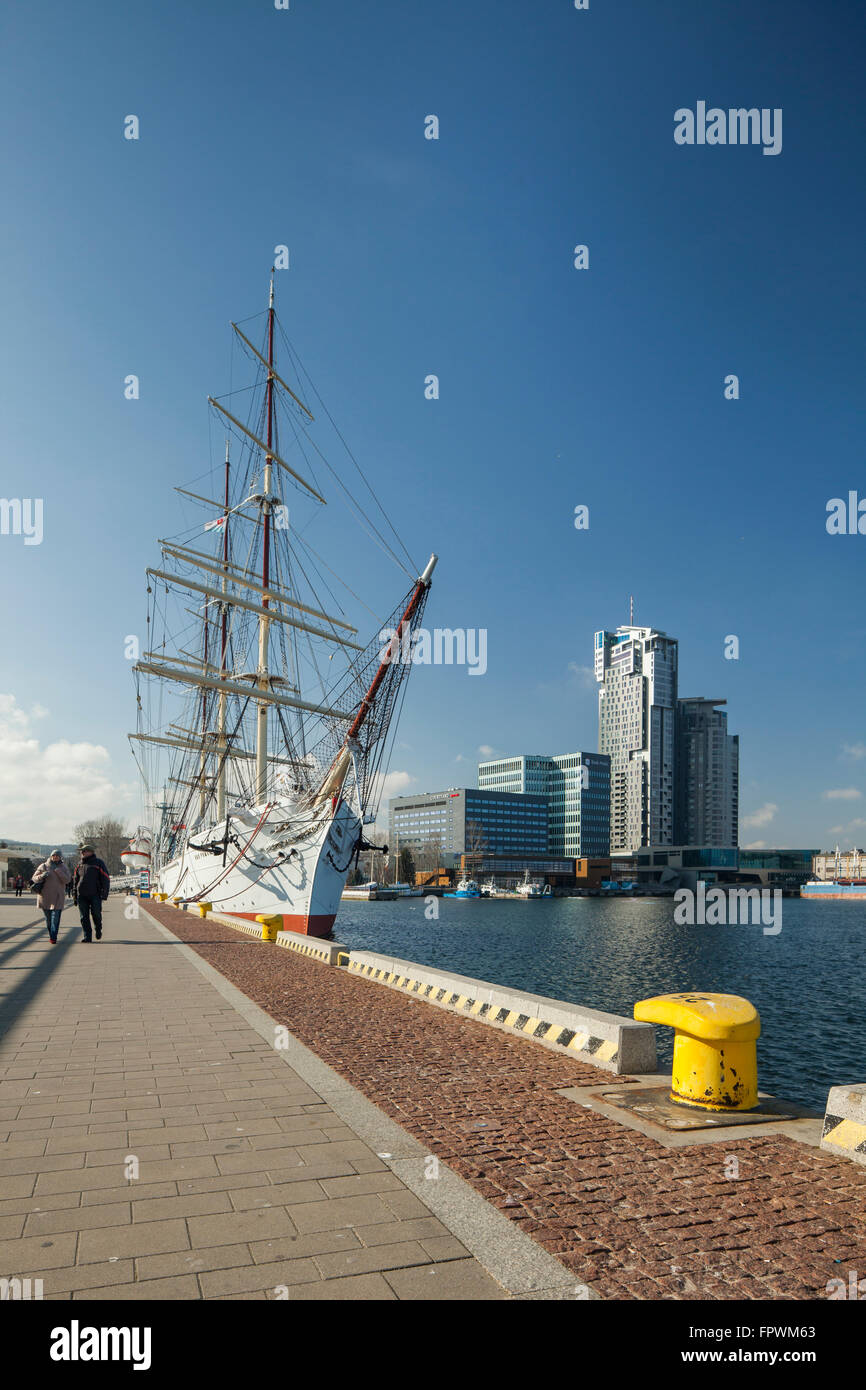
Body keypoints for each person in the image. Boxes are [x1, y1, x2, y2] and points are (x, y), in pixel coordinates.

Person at [32, 852, 72, 944]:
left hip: (58, 897)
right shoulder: (43, 866)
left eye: (57, 856)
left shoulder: (63, 867)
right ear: (51, 856)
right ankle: (51, 934)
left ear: (60, 857)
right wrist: (41, 876)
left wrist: (58, 871)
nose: (55, 857)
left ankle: (53, 937)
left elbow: (67, 880)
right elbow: (34, 878)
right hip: (45, 896)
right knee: (49, 920)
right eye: (53, 855)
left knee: (55, 919)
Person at [73, 844, 111, 942]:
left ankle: (98, 929)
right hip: (82, 895)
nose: (82, 853)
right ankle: (87, 936)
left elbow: (106, 878)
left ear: (90, 852)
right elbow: (75, 880)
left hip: (95, 894)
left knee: (96, 914)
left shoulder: (98, 863)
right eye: (81, 851)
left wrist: (104, 893)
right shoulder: (79, 864)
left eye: (84, 851)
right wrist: (75, 895)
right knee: (84, 917)